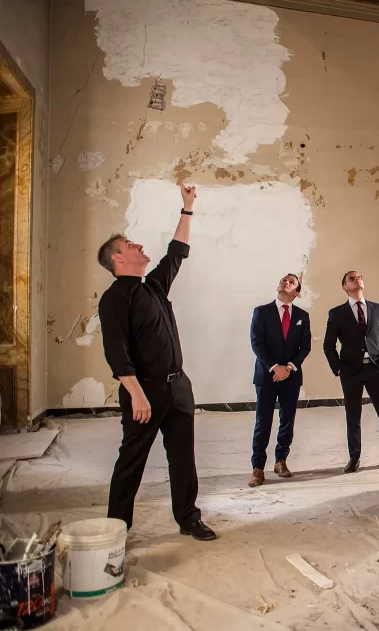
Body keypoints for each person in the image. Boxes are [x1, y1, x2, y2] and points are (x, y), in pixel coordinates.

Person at [96, 179, 215, 541]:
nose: (139, 246)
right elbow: (116, 352)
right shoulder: (115, 298)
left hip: (178, 387)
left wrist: (188, 207)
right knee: (132, 460)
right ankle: (117, 530)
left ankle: (188, 517)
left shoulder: (153, 287)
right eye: (130, 245)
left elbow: (176, 252)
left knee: (183, 457)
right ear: (117, 258)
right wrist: (135, 393)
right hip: (143, 392)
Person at [323, 271, 379, 473]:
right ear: (344, 287)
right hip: (350, 371)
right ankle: (354, 456)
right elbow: (328, 345)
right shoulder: (337, 313)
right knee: (353, 414)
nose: (356, 279)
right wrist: (338, 367)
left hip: (376, 369)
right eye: (351, 278)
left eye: (359, 277)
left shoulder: (377, 308)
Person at [248, 273, 312, 488]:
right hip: (267, 375)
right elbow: (257, 343)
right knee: (263, 421)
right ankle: (257, 467)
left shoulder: (302, 315)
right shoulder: (262, 311)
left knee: (287, 420)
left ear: (297, 292)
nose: (286, 282)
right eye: (284, 279)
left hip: (291, 377)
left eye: (291, 282)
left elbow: (305, 347)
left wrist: (290, 367)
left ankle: (280, 461)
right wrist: (275, 367)